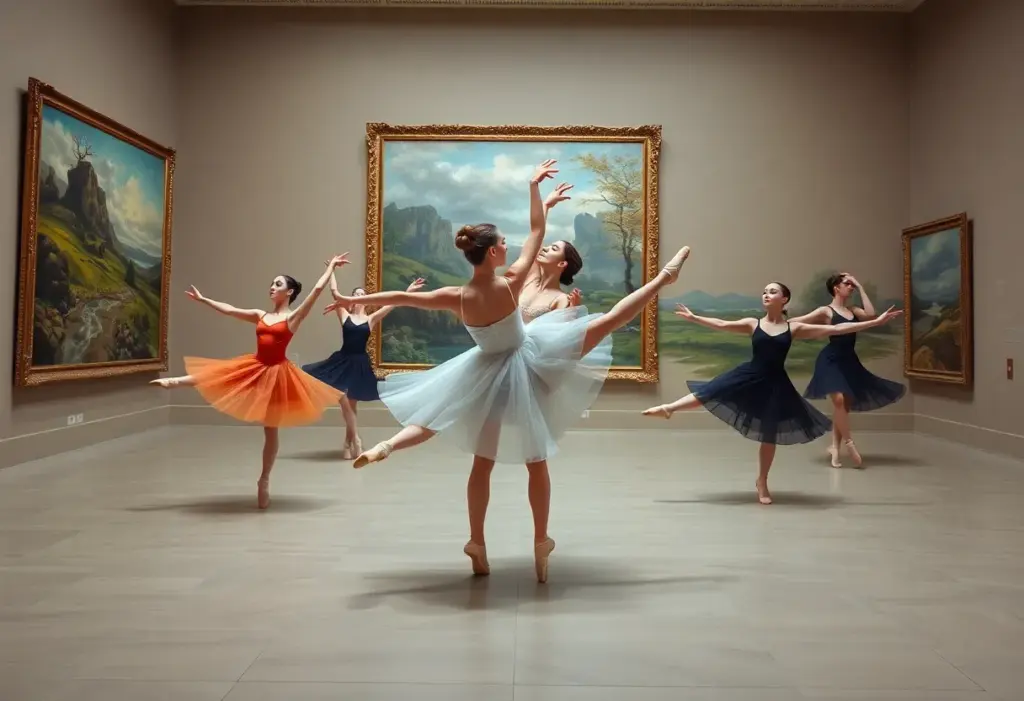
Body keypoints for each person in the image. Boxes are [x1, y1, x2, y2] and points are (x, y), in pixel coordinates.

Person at [322, 160, 692, 581]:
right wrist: (535, 189)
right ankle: (540, 541)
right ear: (496, 251)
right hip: (526, 361)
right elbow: (536, 232)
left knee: (458, 439)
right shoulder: (512, 281)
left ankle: (402, 461)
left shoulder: (454, 294)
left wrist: (360, 301)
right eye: (502, 243)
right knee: (602, 332)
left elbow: (402, 300)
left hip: (484, 367)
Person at [641, 281, 902, 505]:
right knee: (712, 390)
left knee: (769, 435)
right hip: (750, 374)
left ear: (784, 299)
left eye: (773, 291)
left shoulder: (793, 328)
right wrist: (695, 317)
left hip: (776, 383)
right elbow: (722, 324)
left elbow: (835, 329)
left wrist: (875, 322)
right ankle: (669, 409)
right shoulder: (752, 324)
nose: (766, 294)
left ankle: (762, 481)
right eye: (764, 291)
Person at [151, 255, 350, 509]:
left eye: (277, 284)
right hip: (256, 365)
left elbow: (317, 290)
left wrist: (331, 267)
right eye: (271, 284)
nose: (272, 287)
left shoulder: (294, 318)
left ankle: (264, 479)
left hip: (278, 374)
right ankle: (175, 382)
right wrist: (204, 300)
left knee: (270, 430)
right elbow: (231, 310)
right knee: (222, 374)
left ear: (289, 292)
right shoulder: (260, 315)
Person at [303, 270, 425, 459]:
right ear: (351, 299)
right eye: (356, 294)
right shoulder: (343, 313)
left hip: (360, 364)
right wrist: (333, 270)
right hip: (343, 360)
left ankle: (347, 442)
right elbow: (334, 292)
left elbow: (393, 303)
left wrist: (408, 290)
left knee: (352, 404)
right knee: (344, 400)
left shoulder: (370, 319)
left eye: (362, 294)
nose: (359, 296)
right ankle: (356, 440)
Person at [791, 272, 907, 468]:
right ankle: (849, 444)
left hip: (849, 361)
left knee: (843, 408)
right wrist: (778, 324)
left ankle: (835, 448)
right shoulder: (826, 311)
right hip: (830, 359)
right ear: (836, 288)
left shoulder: (853, 310)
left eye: (852, 285)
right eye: (848, 284)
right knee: (839, 400)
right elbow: (799, 320)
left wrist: (860, 286)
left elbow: (871, 315)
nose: (850, 287)